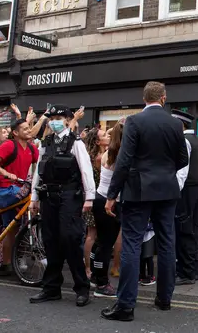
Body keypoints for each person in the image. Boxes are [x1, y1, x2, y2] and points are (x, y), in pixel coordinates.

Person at [101, 82, 188, 322]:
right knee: (167, 243)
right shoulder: (174, 123)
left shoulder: (134, 121)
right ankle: (164, 299)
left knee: (131, 244)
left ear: (144, 98)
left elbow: (124, 160)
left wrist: (111, 195)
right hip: (167, 190)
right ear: (163, 97)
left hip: (138, 191)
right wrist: (164, 172)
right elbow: (182, 158)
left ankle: (126, 305)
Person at [28, 105, 95, 307]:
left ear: (67, 120)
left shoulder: (76, 143)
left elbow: (86, 170)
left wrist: (89, 197)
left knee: (70, 240)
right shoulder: (45, 143)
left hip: (69, 196)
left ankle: (82, 288)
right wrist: (34, 197)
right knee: (50, 241)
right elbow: (39, 173)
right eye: (52, 118)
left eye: (58, 117)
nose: (54, 121)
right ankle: (51, 288)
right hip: (48, 196)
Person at [0, 118, 38, 275]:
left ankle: (5, 263)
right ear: (15, 133)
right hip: (3, 191)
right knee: (26, 192)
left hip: (16, 192)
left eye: (29, 128)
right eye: (25, 129)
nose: (29, 131)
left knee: (11, 228)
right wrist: (6, 173)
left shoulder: (31, 148)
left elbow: (42, 162)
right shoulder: (9, 145)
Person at [171, 110, 198, 286]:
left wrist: (176, 191)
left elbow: (182, 169)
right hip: (195, 189)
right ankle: (193, 269)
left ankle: (186, 272)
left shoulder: (183, 141)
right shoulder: (196, 141)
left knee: (184, 229)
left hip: (185, 189)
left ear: (180, 125)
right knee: (192, 228)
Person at [90, 124, 122, 299]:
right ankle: (101, 283)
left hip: (100, 198)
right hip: (110, 202)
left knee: (100, 241)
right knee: (105, 244)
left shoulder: (108, 153)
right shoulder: (119, 156)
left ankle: (96, 276)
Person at [84, 128, 109, 281]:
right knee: (92, 235)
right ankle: (88, 267)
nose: (108, 137)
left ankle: (88, 265)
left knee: (92, 235)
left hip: (92, 198)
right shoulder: (100, 158)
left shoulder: (91, 156)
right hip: (96, 199)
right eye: (105, 135)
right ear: (97, 141)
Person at [139, 221, 156, 285]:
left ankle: (150, 275)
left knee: (149, 256)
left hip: (149, 231)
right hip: (142, 229)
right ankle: (142, 275)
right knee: (141, 257)